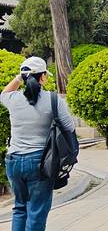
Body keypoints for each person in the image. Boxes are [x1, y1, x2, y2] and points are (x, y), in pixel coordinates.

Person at [1, 56, 75, 231]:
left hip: (13, 161)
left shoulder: (13, 99)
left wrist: (19, 78)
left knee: (20, 208)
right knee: (36, 212)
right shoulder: (53, 100)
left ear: (24, 77)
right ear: (42, 77)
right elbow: (69, 127)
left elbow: (2, 94)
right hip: (40, 163)